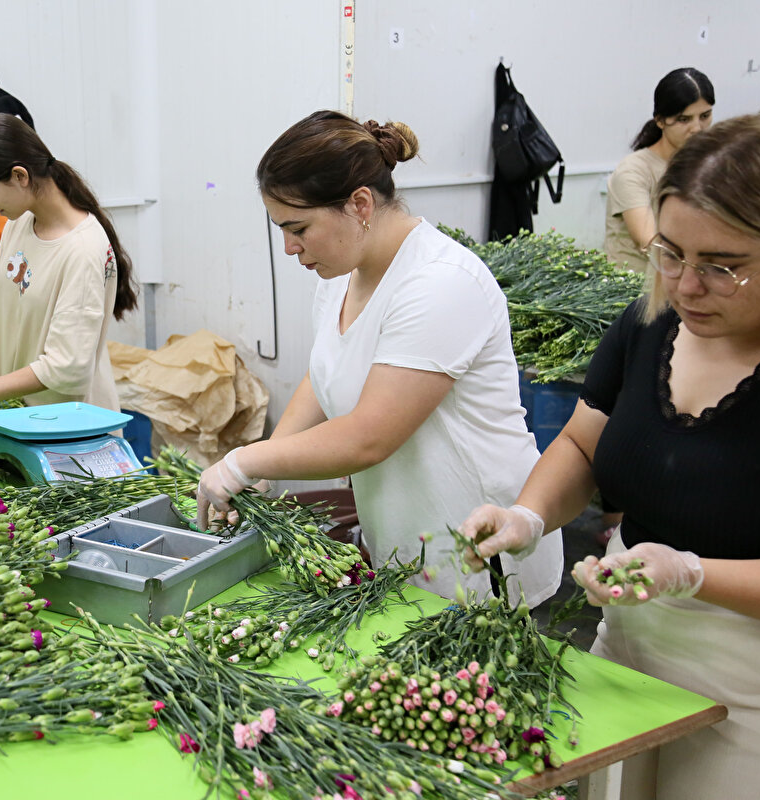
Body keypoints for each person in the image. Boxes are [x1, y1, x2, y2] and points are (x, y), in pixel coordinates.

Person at [460, 113, 760, 797]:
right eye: (671, 254)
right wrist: (531, 514)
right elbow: (586, 443)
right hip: (630, 652)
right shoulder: (650, 324)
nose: (686, 286)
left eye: (722, 268)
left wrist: (694, 574)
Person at [195, 110, 563, 603]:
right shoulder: (341, 275)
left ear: (360, 204)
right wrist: (268, 466)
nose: (289, 247)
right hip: (401, 536)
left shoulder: (439, 282)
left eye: (299, 227)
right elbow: (325, 376)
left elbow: (370, 436)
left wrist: (244, 460)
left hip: (478, 546)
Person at [0, 114, 138, 427]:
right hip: (22, 419)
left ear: (20, 176)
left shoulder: (82, 250)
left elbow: (64, 368)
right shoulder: (18, 225)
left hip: (70, 430)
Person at [605, 68, 714, 272]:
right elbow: (650, 242)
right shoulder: (634, 170)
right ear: (660, 121)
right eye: (684, 119)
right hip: (637, 291)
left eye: (705, 116)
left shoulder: (709, 165)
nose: (697, 128)